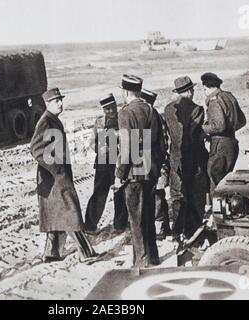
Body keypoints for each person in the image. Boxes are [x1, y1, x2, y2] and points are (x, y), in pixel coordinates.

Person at [30, 88, 104, 264]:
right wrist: (56, 168)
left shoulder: (53, 120)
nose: (60, 103)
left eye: (60, 100)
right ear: (48, 104)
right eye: (56, 101)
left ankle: (52, 253)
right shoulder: (46, 121)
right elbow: (36, 148)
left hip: (54, 178)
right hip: (54, 178)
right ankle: (85, 254)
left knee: (56, 213)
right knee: (71, 212)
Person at [115, 75, 166, 268]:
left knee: (135, 218)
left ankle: (141, 261)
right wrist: (155, 165)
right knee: (148, 216)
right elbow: (161, 145)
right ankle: (153, 255)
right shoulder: (151, 110)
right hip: (150, 170)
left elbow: (127, 149)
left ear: (125, 92)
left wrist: (120, 174)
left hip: (134, 172)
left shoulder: (126, 113)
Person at [164, 76, 210, 244]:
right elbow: (193, 136)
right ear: (190, 91)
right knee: (195, 195)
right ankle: (193, 232)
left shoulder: (168, 109)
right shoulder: (197, 109)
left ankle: (176, 232)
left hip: (176, 158)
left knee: (177, 195)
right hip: (193, 158)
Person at [84, 93, 128, 235]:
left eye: (113, 107)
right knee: (99, 193)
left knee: (120, 193)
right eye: (107, 109)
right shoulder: (100, 122)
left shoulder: (123, 118)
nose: (111, 111)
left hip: (119, 161)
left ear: (116, 105)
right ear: (103, 110)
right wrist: (101, 148)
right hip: (103, 162)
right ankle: (90, 225)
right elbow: (92, 142)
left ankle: (120, 225)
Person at [201, 72, 246, 191]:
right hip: (232, 143)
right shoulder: (229, 96)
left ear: (205, 87)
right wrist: (230, 129)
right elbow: (242, 121)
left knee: (216, 183)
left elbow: (218, 126)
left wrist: (203, 128)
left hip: (219, 146)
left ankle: (218, 209)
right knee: (227, 181)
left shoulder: (214, 101)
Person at [141, 88, 171, 240]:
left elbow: (163, 145)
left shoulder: (154, 118)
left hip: (155, 164)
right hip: (154, 163)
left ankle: (161, 227)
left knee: (157, 196)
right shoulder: (156, 117)